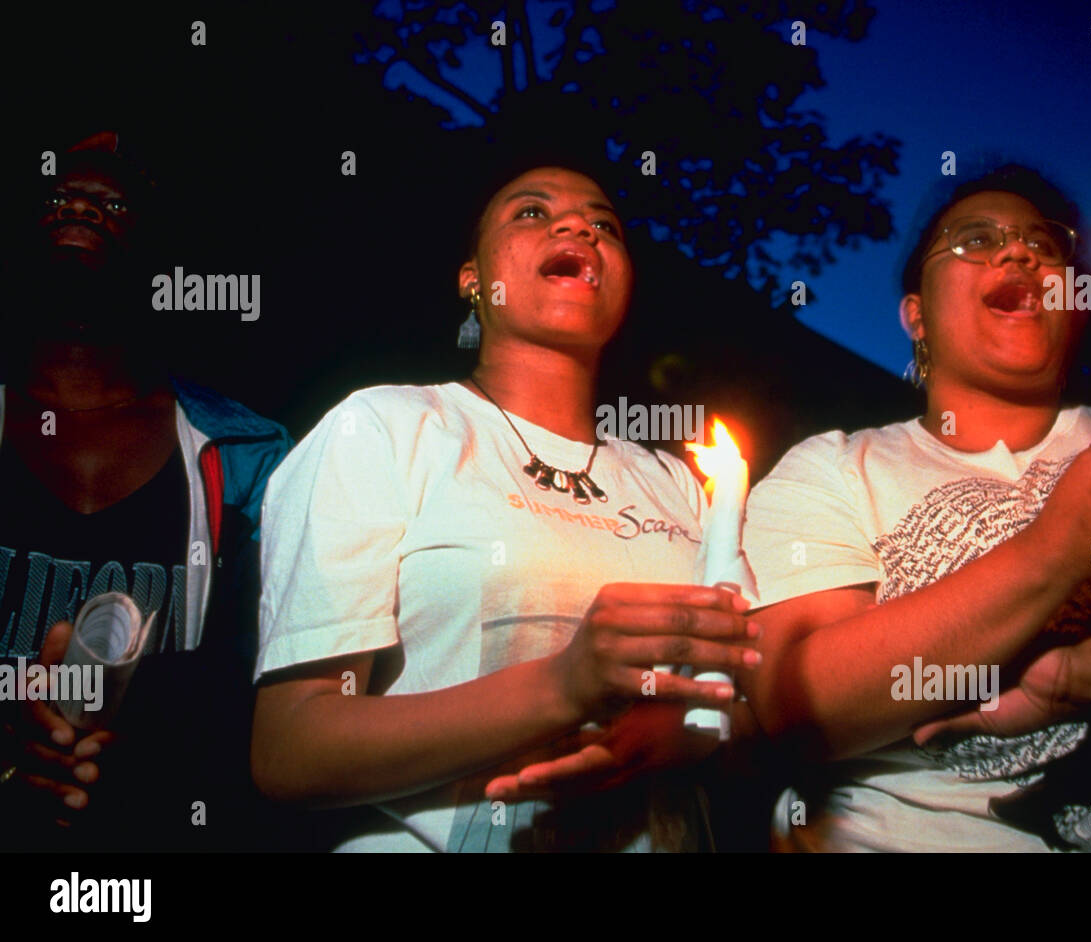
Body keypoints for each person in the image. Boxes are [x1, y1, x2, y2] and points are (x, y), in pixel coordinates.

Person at [737, 164, 1091, 852]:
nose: (1020, 252)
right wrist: (1055, 548)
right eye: (975, 239)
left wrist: (1088, 674)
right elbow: (803, 709)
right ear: (916, 313)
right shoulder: (833, 470)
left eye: (1046, 244)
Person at [250, 162, 761, 852]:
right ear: (472, 281)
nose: (578, 225)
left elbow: (756, 713)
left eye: (603, 224)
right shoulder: (383, 428)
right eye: (531, 213)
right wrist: (561, 687)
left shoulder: (678, 483)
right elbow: (290, 751)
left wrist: (680, 737)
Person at [0, 131, 295, 851]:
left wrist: (146, 737)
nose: (82, 206)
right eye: (59, 194)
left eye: (116, 203)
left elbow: (266, 686)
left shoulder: (249, 455)